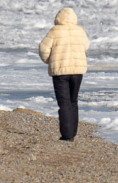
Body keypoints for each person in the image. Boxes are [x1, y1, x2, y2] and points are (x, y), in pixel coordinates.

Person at [38, 7, 90, 142]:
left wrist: (49, 61)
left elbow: (43, 48)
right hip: (78, 71)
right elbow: (86, 46)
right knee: (73, 101)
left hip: (60, 71)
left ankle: (67, 135)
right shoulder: (80, 31)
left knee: (64, 102)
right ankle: (72, 133)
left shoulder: (54, 31)